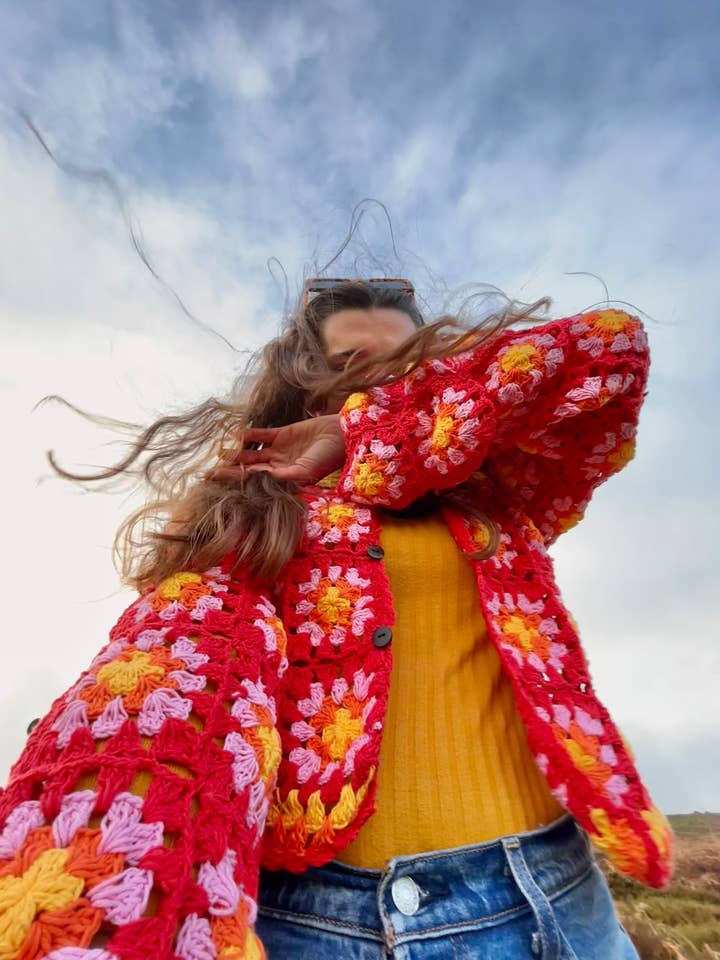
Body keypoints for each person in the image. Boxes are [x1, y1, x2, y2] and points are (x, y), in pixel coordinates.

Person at [0, 277, 673, 959]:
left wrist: (370, 436)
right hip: (330, 925)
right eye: (352, 366)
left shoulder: (503, 490)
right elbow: (184, 658)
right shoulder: (262, 508)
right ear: (305, 383)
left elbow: (612, 351)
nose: (384, 378)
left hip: (557, 895)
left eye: (410, 361)